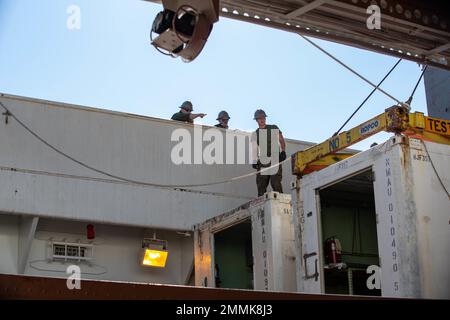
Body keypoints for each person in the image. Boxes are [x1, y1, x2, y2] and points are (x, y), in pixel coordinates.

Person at [251, 109, 287, 197]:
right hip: (263, 161)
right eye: (259, 118)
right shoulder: (255, 134)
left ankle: (280, 203)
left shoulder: (273, 128)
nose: (262, 120)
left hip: (275, 159)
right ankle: (261, 207)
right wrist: (254, 160)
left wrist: (283, 152)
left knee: (276, 183)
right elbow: (255, 149)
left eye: (263, 118)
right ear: (256, 120)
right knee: (261, 186)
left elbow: (282, 141)